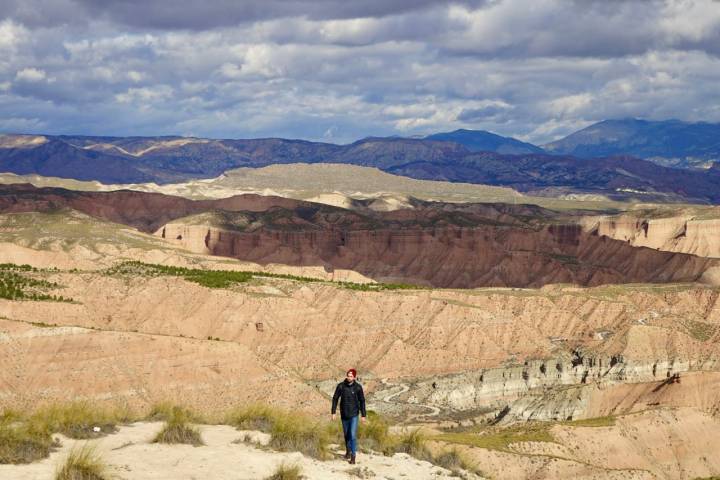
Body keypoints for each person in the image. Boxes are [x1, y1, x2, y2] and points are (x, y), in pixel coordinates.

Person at [331, 368, 366, 464]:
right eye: (348, 375)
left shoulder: (358, 387)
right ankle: (348, 451)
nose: (349, 377)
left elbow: (362, 401)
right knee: (346, 435)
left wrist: (363, 415)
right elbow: (335, 399)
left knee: (352, 435)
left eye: (351, 376)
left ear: (354, 377)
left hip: (354, 414)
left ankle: (353, 456)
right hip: (344, 414)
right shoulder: (341, 386)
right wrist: (333, 412)